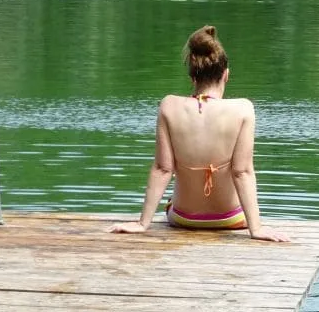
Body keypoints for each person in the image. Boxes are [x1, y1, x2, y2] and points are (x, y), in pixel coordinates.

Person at [108, 25, 289, 242]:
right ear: (226, 75)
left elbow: (163, 169)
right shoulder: (243, 109)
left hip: (183, 218)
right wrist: (256, 228)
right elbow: (242, 172)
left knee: (172, 198)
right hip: (231, 219)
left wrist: (142, 224)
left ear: (193, 78)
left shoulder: (169, 106)